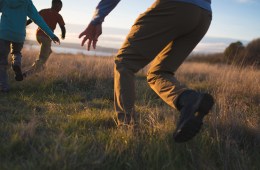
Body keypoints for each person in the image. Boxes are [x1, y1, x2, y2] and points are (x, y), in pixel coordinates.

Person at [79, 0, 214, 143]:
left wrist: (96, 19)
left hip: (174, 6)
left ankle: (128, 128)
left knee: (124, 63)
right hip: (204, 16)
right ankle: (189, 99)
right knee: (160, 73)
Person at [0, 0, 60, 92]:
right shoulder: (26, 2)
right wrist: (51, 35)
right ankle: (16, 63)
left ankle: (4, 86)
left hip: (4, 33)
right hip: (19, 34)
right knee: (16, 52)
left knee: (2, 61)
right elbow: (38, 19)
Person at [25, 0, 65, 75]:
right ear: (57, 6)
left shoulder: (43, 11)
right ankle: (29, 73)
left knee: (49, 51)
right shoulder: (58, 16)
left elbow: (32, 19)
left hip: (38, 36)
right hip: (46, 37)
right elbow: (62, 27)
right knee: (43, 57)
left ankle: (41, 67)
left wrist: (24, 25)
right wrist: (63, 35)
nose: (61, 9)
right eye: (60, 7)